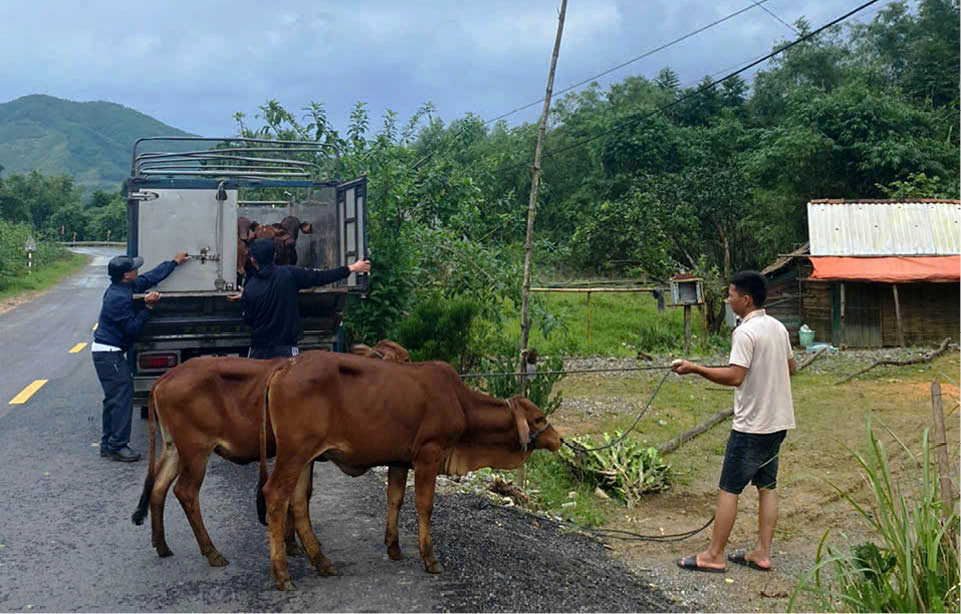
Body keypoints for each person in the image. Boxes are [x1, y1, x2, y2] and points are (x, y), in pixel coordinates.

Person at [672, 270, 796, 573]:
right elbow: (791, 367)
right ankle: (762, 553)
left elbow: (735, 376)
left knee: (729, 489)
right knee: (767, 487)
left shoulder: (744, 332)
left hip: (751, 427)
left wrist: (695, 368)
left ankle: (714, 555)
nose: (728, 300)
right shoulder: (777, 327)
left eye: (731, 295)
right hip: (777, 424)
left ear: (746, 299)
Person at [93, 252, 190, 462]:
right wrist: (148, 308)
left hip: (108, 353)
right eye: (134, 268)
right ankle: (117, 445)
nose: (138, 270)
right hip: (109, 355)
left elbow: (150, 278)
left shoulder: (124, 287)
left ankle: (108, 443)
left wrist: (173, 262)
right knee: (121, 399)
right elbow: (132, 329)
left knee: (113, 399)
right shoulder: (118, 298)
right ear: (127, 275)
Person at [228, 238, 371, 359]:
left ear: (252, 260)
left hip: (258, 353)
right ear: (274, 256)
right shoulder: (289, 274)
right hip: (287, 352)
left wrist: (247, 296)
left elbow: (249, 320)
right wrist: (351, 268)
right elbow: (320, 277)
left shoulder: (250, 288)